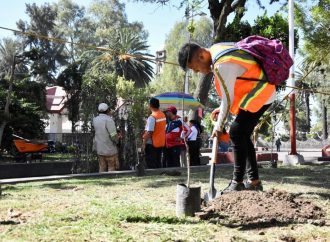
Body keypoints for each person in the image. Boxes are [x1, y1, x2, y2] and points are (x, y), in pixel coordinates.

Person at [178, 42, 276, 192]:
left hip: (262, 92)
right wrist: (221, 109)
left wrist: (218, 127)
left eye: (194, 67)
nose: (197, 71)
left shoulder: (222, 64)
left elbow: (227, 99)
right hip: (260, 91)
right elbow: (228, 95)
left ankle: (237, 182)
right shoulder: (218, 50)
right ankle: (254, 181)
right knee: (242, 134)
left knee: (236, 132)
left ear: (201, 56)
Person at [93, 103, 119, 172]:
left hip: (100, 148)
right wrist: (117, 141)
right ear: (107, 110)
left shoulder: (95, 120)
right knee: (111, 166)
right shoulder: (109, 120)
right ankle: (111, 180)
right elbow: (113, 134)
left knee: (102, 167)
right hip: (109, 148)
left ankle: (101, 180)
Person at [142, 98, 166, 168]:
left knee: (151, 163)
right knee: (158, 162)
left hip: (152, 144)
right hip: (160, 142)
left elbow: (150, 132)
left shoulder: (152, 117)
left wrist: (143, 143)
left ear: (150, 105)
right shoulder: (162, 115)